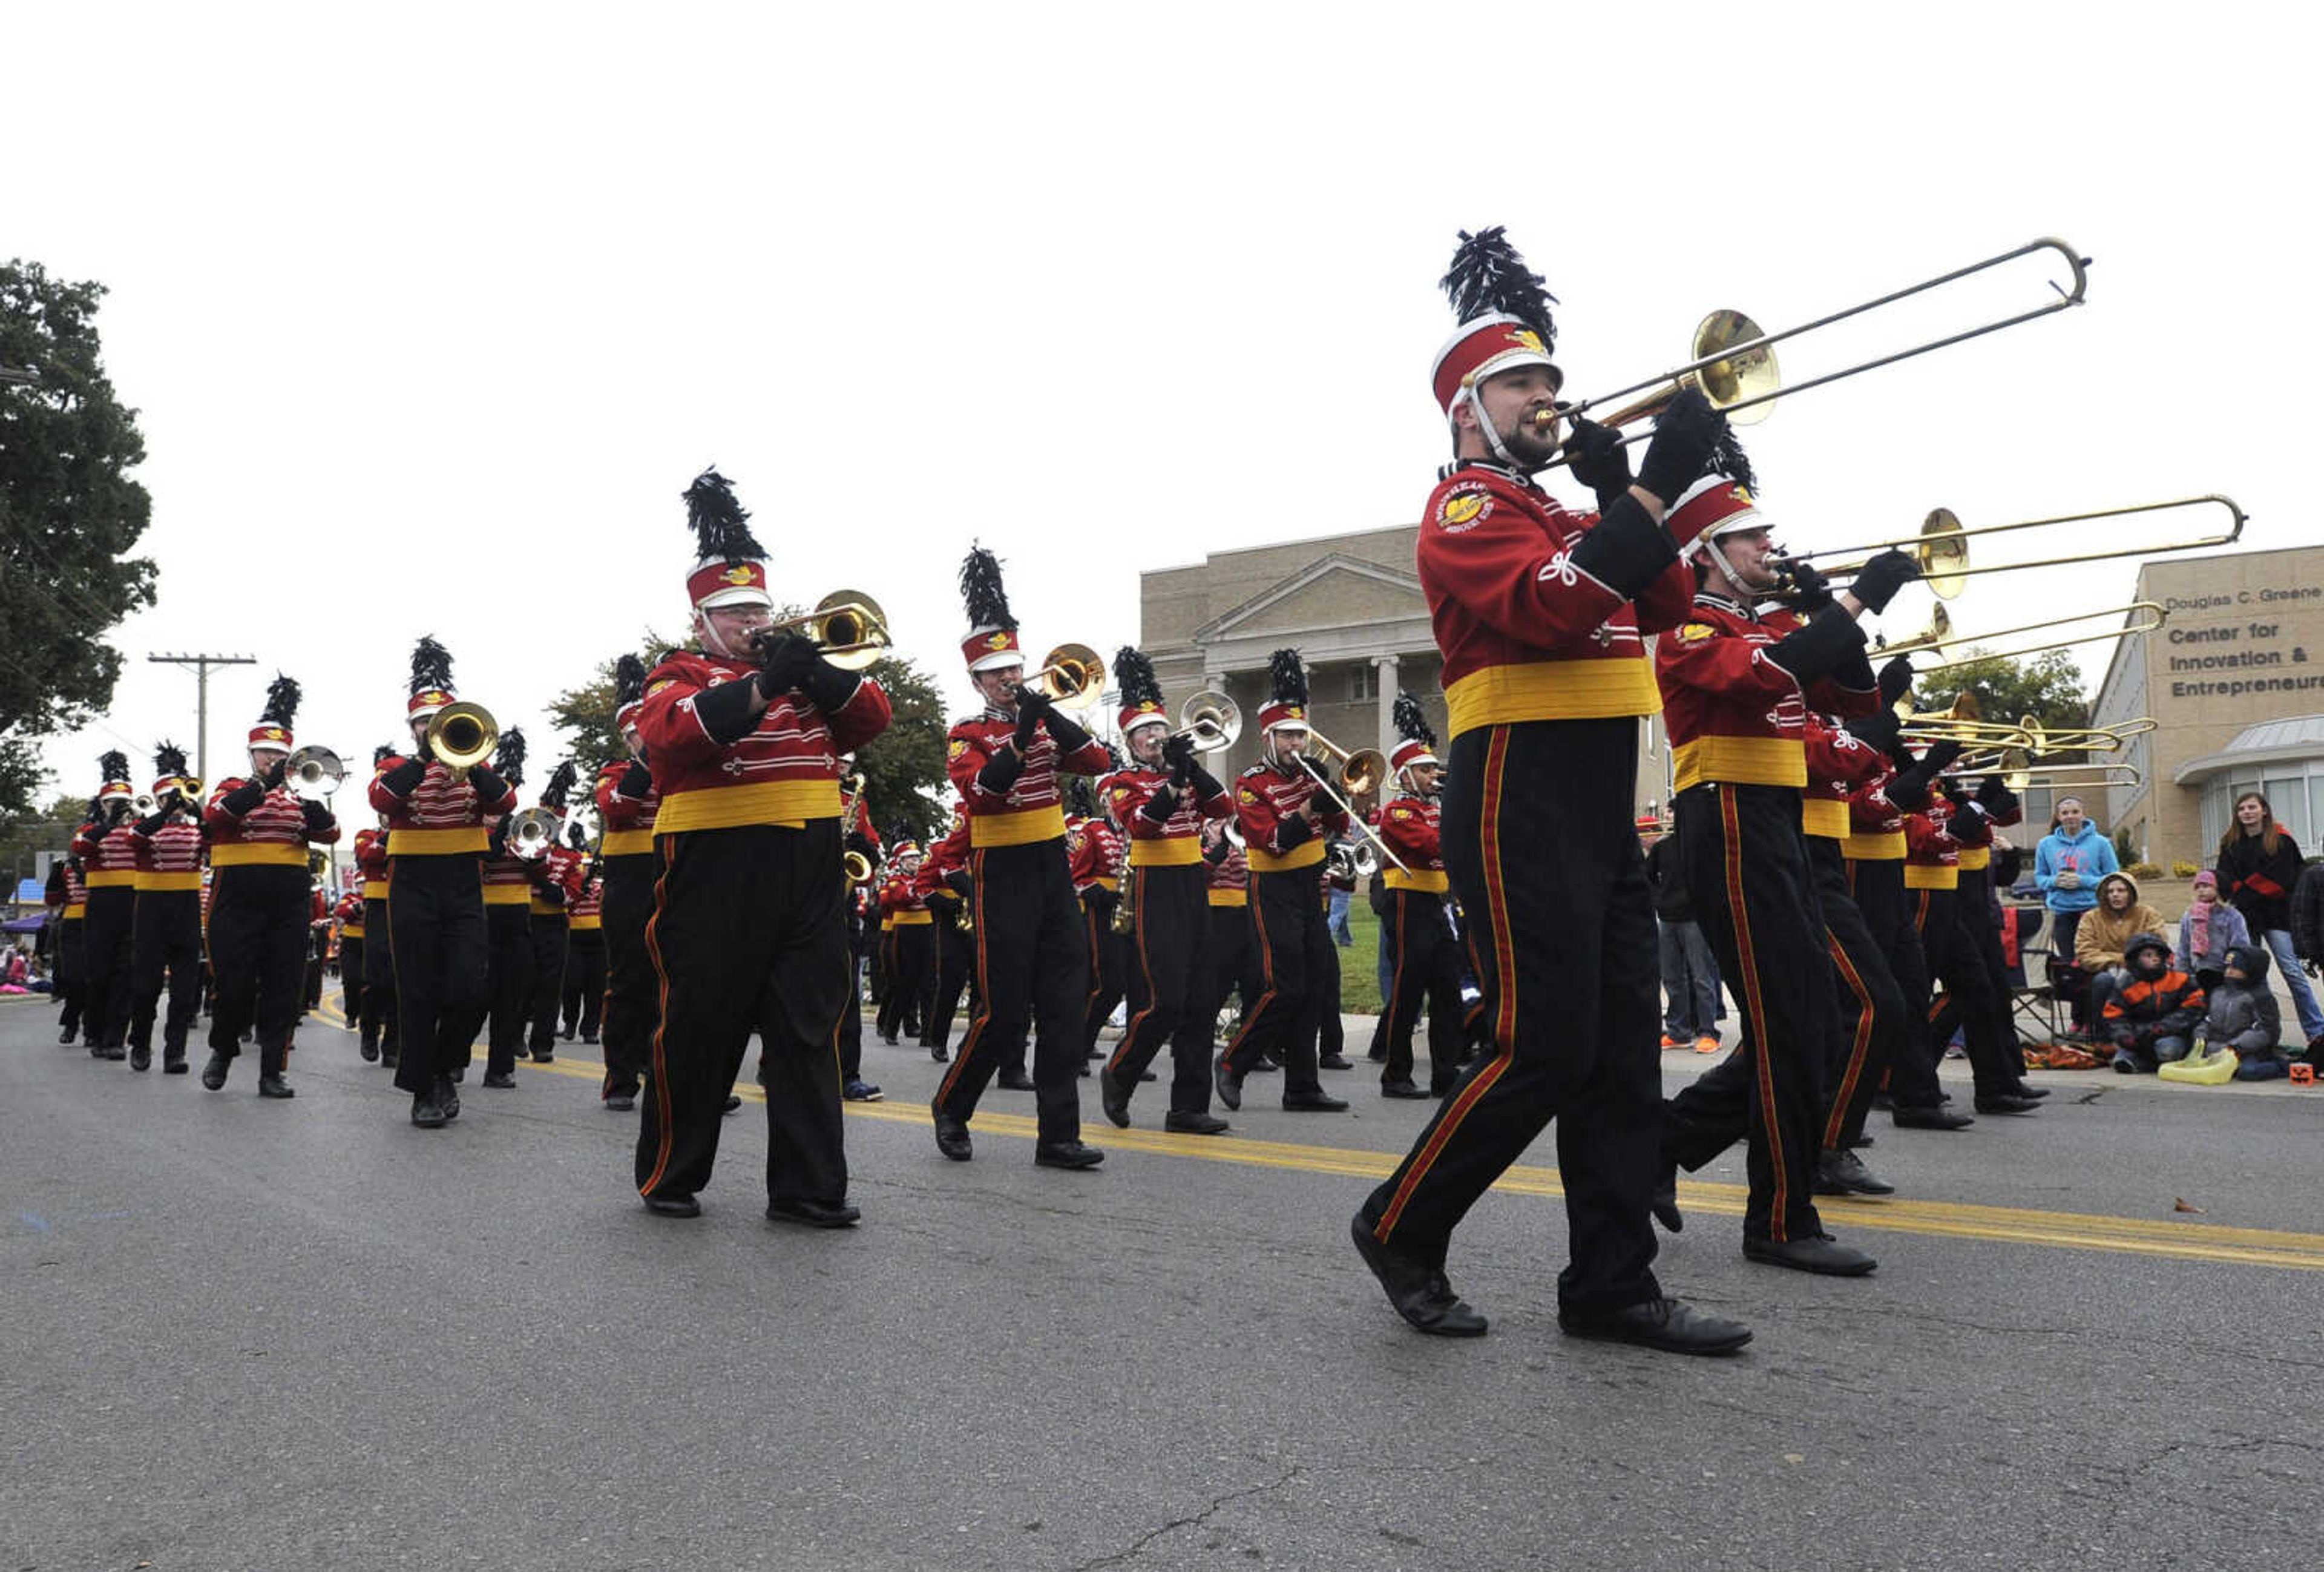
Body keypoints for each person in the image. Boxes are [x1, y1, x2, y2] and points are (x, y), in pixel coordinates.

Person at [1351, 227, 1748, 1353]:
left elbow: (1666, 598)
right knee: (1544, 1041)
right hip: (1514, 786)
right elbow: (1556, 608)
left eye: (1552, 382)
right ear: (1468, 406)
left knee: (1623, 1049)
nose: (1548, 398)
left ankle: (1613, 1284)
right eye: (1524, 382)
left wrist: (1631, 487)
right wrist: (1652, 486)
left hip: (1596, 794)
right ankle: (1400, 1221)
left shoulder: (1570, 511)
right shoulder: (1466, 510)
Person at [1650, 477, 1907, 1274]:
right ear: (1709, 555)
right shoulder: (1689, 624)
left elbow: (1852, 700)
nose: (1769, 547)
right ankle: (1780, 1219)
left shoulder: (1770, 621)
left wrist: (1847, 617)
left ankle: (1664, 1144)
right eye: (1751, 538)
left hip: (1775, 820)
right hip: (1724, 818)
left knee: (1810, 1021)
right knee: (1794, 1023)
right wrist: (1859, 600)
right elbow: (1774, 674)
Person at [634, 469, 890, 1222]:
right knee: (700, 1019)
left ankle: (808, 1187)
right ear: (705, 619)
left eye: (760, 608)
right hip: (716, 863)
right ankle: (671, 1174)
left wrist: (814, 671)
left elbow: (872, 717)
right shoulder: (677, 672)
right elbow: (670, 735)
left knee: (809, 1021)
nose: (753, 621)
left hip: (808, 860)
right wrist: (758, 689)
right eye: (738, 611)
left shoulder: (810, 674)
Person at [931, 546, 1108, 1170]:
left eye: (1016, 669)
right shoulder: (967, 733)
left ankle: (1057, 1135)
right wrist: (1025, 732)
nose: (1011, 680)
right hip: (1000, 872)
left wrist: (1049, 720)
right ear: (977, 680)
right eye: (998, 673)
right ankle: (952, 1103)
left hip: (1051, 868)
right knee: (1004, 1010)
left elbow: (1098, 764)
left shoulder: (1042, 717)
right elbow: (984, 791)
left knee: (1064, 999)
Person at [372, 636, 519, 1127]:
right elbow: (383, 800)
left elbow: (506, 804)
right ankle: (425, 1089)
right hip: (412, 882)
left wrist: (471, 764)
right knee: (416, 990)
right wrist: (420, 759)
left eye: (439, 723)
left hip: (462, 881)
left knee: (469, 987)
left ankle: (442, 1068)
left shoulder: (475, 765)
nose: (432, 730)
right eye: (423, 723)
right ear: (411, 726)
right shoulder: (396, 766)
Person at [1097, 646, 1234, 1133]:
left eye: (1160, 729)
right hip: (1154, 886)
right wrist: (1174, 782)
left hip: (1193, 881)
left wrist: (1190, 769)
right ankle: (1120, 1071)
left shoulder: (1186, 773)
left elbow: (1224, 808)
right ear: (1131, 741)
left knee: (1201, 1000)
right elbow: (1143, 825)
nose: (1157, 737)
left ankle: (1188, 1107)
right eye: (1146, 733)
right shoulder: (1118, 780)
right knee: (1166, 998)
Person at [1214, 650, 1353, 1116]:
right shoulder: (1252, 783)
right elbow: (1273, 840)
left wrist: (1340, 793)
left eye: (1301, 734)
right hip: (1272, 886)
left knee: (1316, 984)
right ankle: (1233, 1062)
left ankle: (1302, 1086)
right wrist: (1310, 807)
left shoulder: (1309, 774)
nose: (1297, 743)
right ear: (1268, 737)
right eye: (1288, 735)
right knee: (1285, 986)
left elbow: (1338, 823)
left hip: (1310, 884)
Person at [203, 677, 338, 1097]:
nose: (274, 760)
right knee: (234, 985)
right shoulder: (233, 786)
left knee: (284, 987)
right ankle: (223, 1049)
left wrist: (314, 809)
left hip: (288, 897)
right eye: (267, 753)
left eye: (281, 755)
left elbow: (332, 834)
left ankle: (272, 1071)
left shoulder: (302, 797)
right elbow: (218, 817)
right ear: (253, 755)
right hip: (238, 895)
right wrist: (262, 786)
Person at [1365, 692, 1468, 1099]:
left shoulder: (1440, 807)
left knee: (1447, 988)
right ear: (1405, 775)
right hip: (1407, 903)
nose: (1432, 775)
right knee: (1408, 990)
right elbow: (1432, 845)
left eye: (1432, 768)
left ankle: (1445, 1072)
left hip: (1438, 904)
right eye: (1424, 770)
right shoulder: (1399, 812)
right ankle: (1396, 1073)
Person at [593, 657, 661, 1113]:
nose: (649, 737)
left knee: (682, 978)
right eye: (640, 732)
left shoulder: (686, 770)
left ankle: (677, 1074)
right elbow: (617, 809)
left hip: (675, 870)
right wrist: (647, 762)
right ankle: (620, 1076)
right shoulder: (614, 771)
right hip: (629, 880)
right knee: (628, 979)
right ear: (628, 737)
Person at [2216, 791, 2324, 1047]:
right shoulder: (2230, 844)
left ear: (2264, 810)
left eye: (2252, 807)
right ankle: (2265, 1032)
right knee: (2254, 978)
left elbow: (2284, 879)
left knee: (2292, 972)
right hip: (2246, 920)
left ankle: (2317, 1031)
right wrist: (2241, 892)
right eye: (2242, 809)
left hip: (2277, 917)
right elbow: (2225, 878)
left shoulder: (2282, 841)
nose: (2247, 813)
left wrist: (2244, 890)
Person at [127, 742, 206, 1074]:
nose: (175, 805)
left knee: (185, 990)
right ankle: (141, 1043)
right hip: (152, 910)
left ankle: (175, 1052)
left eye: (178, 799)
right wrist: (163, 813)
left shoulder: (194, 831)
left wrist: (196, 811)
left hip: (186, 910)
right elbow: (134, 839)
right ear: (158, 799)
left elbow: (215, 837)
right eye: (168, 799)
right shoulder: (147, 827)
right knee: (146, 986)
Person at [70, 756, 143, 1061]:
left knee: (125, 973)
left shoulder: (139, 828)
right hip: (100, 904)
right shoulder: (90, 828)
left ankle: (116, 1037)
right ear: (102, 804)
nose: (118, 806)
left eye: (122, 801)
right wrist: (108, 824)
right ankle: (95, 1030)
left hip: (133, 901)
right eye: (112, 801)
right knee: (98, 972)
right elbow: (81, 848)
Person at [1644, 823, 1721, 1053]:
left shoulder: (1702, 847)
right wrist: (1658, 899)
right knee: (1672, 978)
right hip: (1668, 918)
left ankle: (1708, 1032)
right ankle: (1679, 1031)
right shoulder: (1663, 847)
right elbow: (1647, 875)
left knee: (1701, 977)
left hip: (1695, 919)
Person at [2070, 872, 2165, 1027]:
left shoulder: (2148, 914)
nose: (2115, 895)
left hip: (2142, 972)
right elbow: (2085, 954)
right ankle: (2102, 1037)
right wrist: (2122, 960)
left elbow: (2156, 947)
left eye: (2121, 891)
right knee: (2103, 981)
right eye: (2110, 891)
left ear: (2131, 893)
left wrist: (2111, 957)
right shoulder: (2091, 918)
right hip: (2104, 972)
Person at [2101, 933, 2205, 1073]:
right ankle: (2146, 1063)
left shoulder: (2180, 979)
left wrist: (2164, 1027)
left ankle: (2148, 1064)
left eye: (2157, 955)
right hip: (2138, 1037)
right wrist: (2124, 1036)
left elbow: (2194, 1009)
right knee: (2120, 1061)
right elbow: (2114, 1016)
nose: (2155, 958)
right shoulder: (2125, 984)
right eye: (2148, 955)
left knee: (2168, 1051)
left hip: (2170, 1034)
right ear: (2135, 959)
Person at [2034, 797, 2116, 967]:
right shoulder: (2045, 844)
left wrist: (2083, 881)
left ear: (2083, 815)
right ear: (2058, 817)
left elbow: (2114, 879)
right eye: (2065, 813)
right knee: (2069, 963)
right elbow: (2040, 877)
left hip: (2094, 912)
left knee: (2095, 961)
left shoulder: (2101, 843)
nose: (2070, 816)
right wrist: (2055, 881)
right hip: (2061, 913)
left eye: (2075, 812)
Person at [2201, 945, 2286, 1079]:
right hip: (2217, 1047)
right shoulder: (2218, 993)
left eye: (2235, 968)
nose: (2229, 972)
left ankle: (2281, 1065)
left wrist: (2236, 1047)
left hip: (2248, 1050)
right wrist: (2201, 1037)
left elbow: (2267, 1030)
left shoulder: (2260, 997)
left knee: (2247, 1072)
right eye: (2227, 967)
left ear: (2251, 971)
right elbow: (2207, 1020)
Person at [2177, 869, 2251, 992]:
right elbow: (2184, 946)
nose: (2201, 890)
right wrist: (2182, 974)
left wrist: (2234, 970)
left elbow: (2240, 946)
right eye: (2197, 887)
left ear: (2219, 888)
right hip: (2197, 973)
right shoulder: (2190, 915)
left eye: (2206, 886)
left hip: (2223, 973)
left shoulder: (2231, 915)